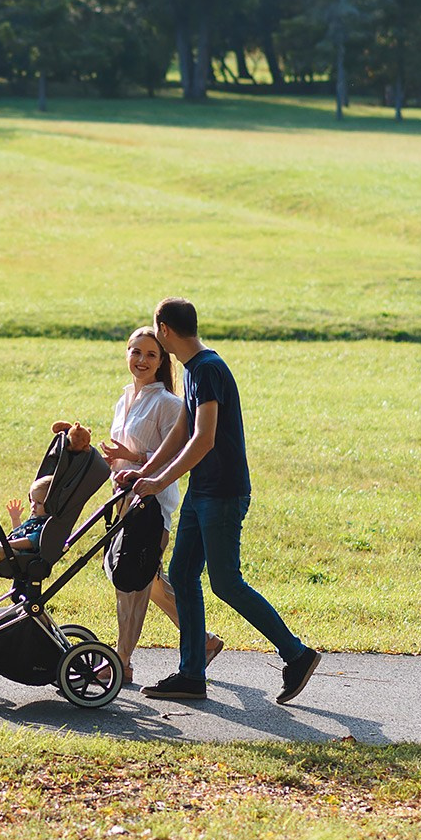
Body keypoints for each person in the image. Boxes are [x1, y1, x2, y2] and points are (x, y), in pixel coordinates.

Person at [118, 297, 321, 704]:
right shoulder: (196, 370)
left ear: (166, 331)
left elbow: (204, 438)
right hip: (202, 491)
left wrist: (158, 482)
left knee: (226, 582)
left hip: (223, 492)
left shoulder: (208, 370)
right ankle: (191, 674)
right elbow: (180, 431)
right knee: (184, 572)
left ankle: (296, 654)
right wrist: (144, 472)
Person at [99, 326, 223, 686]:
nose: (141, 360)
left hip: (152, 507)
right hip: (123, 503)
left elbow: (177, 454)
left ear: (161, 361)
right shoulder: (123, 400)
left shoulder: (169, 404)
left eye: (150, 354)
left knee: (132, 586)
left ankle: (121, 662)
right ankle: (202, 642)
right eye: (135, 352)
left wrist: (133, 457)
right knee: (148, 581)